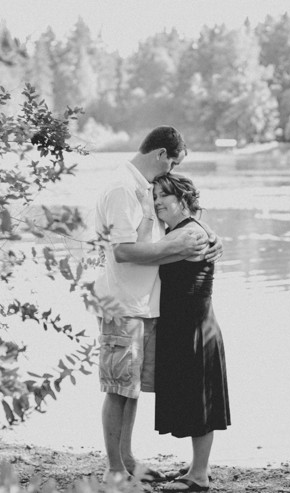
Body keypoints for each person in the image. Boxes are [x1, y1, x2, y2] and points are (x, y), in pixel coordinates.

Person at [92, 126, 222, 485]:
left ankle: (128, 459)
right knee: (118, 389)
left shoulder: (142, 187)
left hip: (145, 306)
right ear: (161, 154)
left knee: (130, 389)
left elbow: (178, 222)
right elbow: (123, 250)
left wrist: (210, 238)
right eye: (173, 162)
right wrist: (176, 249)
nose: (171, 172)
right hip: (122, 306)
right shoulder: (122, 188)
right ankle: (115, 469)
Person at [152, 173, 230, 493]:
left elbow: (143, 257)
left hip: (193, 327)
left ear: (182, 200)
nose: (157, 202)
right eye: (154, 196)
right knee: (195, 400)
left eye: (163, 196)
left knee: (199, 403)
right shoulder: (188, 230)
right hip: (192, 323)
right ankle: (198, 468)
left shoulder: (185, 235)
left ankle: (198, 476)